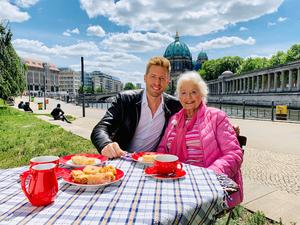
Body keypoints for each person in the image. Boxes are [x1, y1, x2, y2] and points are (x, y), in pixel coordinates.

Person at [156, 71, 243, 207]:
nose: (188, 97)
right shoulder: (174, 119)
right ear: (179, 97)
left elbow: (234, 154)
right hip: (174, 181)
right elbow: (162, 149)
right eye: (183, 93)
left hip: (206, 186)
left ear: (202, 94)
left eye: (193, 92)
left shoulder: (217, 117)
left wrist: (208, 175)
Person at [91, 56, 182, 158]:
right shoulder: (125, 99)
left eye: (162, 78)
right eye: (153, 76)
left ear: (168, 81)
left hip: (152, 161)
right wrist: (106, 144)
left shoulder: (175, 106)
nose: (157, 82)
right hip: (123, 158)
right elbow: (100, 128)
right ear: (145, 78)